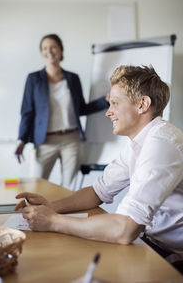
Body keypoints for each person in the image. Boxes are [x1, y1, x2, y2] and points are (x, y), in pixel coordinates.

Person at [15, 65, 183, 265]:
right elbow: (97, 191)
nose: (108, 112)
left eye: (114, 103)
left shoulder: (162, 143)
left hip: (173, 253)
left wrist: (53, 221)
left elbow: (125, 229)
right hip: (153, 242)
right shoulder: (138, 143)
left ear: (142, 104)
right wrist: (51, 207)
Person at [15, 34, 108, 189]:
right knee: (35, 188)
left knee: (68, 189)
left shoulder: (73, 79)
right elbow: (27, 112)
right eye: (44, 48)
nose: (49, 51)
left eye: (53, 47)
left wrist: (106, 100)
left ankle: (62, 214)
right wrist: (21, 141)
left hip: (71, 140)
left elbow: (81, 109)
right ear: (41, 52)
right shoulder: (33, 79)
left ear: (60, 50)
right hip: (44, 141)